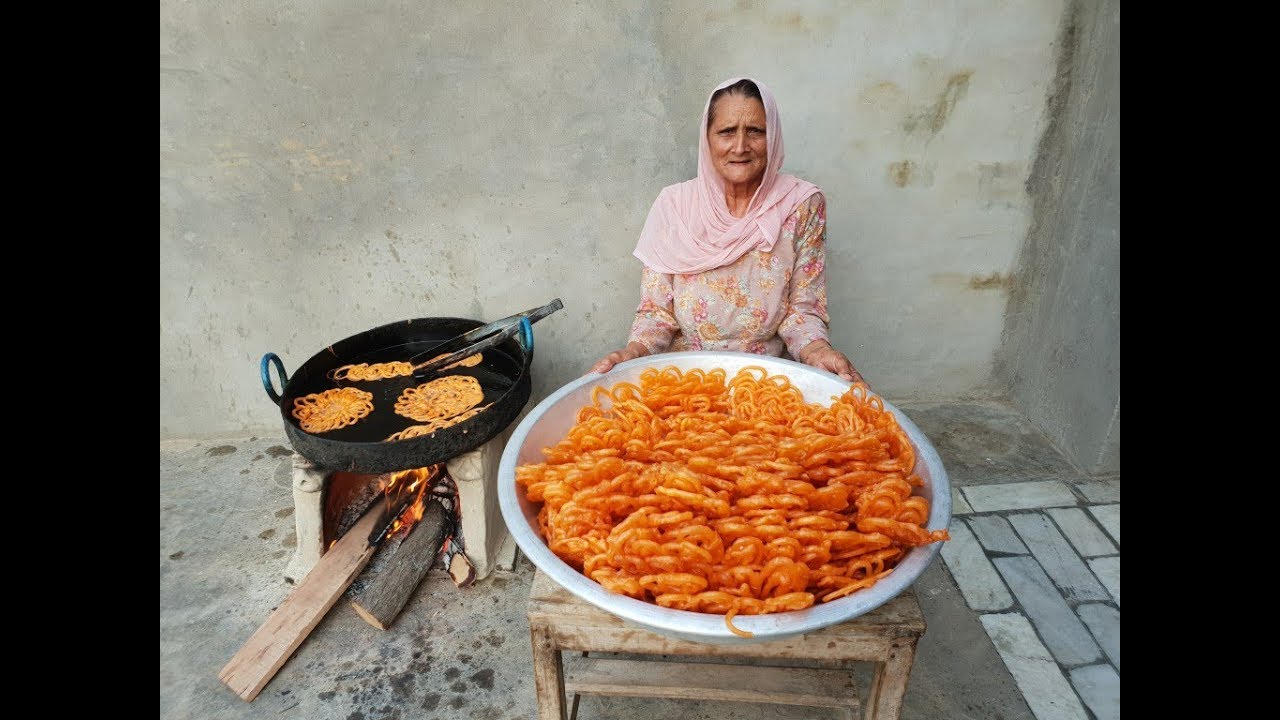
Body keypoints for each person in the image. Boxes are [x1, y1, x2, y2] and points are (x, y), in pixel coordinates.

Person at [591, 76, 863, 384]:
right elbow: (657, 313)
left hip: (768, 382)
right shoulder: (674, 206)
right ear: (707, 139)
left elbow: (802, 311)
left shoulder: (800, 205)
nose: (740, 147)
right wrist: (633, 352)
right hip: (685, 382)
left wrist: (818, 352)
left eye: (756, 132)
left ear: (772, 136)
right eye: (726, 132)